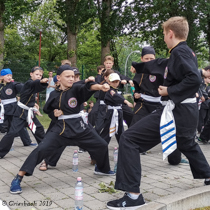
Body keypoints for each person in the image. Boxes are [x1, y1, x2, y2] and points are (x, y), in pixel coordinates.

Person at [107, 16, 210, 209]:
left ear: (170, 33)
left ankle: (133, 195)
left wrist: (169, 91)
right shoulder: (183, 52)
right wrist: (139, 66)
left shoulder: (180, 53)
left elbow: (194, 79)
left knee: (129, 139)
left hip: (177, 110)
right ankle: (208, 174)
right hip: (185, 111)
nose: (163, 37)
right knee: (186, 142)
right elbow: (161, 64)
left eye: (164, 34)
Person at [9, 64, 114, 194]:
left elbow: (88, 87)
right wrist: (54, 113)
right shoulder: (53, 94)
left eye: (73, 76)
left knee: (102, 145)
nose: (71, 79)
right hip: (61, 130)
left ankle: (102, 169)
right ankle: (18, 177)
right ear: (58, 78)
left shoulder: (76, 89)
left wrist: (100, 87)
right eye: (68, 76)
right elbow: (48, 110)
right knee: (40, 149)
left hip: (80, 129)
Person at [0, 66, 48, 158]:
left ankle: (46, 149)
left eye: (40, 75)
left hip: (29, 113)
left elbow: (37, 87)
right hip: (21, 113)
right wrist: (41, 81)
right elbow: (33, 85)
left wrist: (34, 105)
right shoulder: (29, 83)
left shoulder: (19, 84)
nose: (39, 76)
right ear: (31, 74)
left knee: (39, 129)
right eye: (37, 74)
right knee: (12, 132)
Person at [0, 69, 34, 146]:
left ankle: (27, 141)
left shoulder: (13, 84)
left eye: (10, 75)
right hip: (3, 109)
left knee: (19, 124)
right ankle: (7, 144)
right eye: (7, 75)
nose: (9, 77)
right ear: (2, 77)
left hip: (14, 107)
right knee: (4, 125)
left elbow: (23, 88)